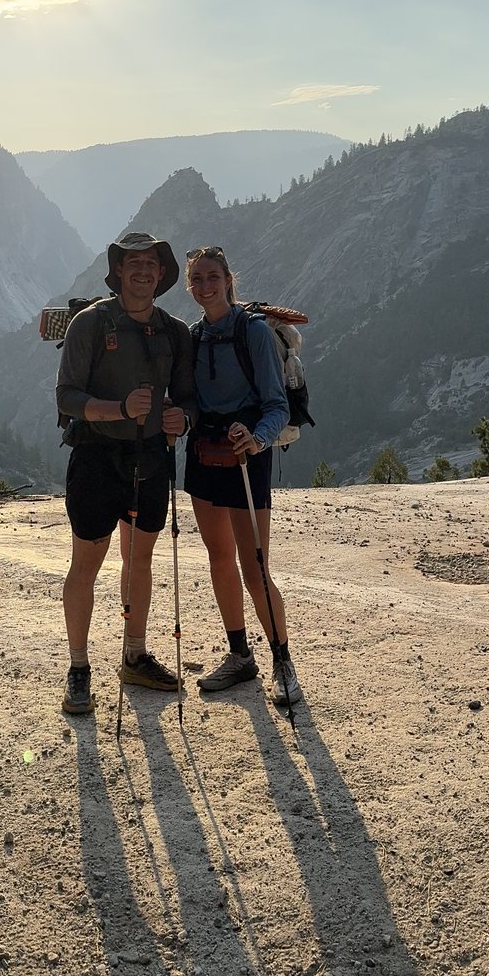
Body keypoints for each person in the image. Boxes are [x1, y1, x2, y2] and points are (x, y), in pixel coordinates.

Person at [53, 232, 195, 716]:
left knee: (140, 560)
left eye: (151, 263)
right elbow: (66, 397)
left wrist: (183, 418)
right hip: (96, 458)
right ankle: (79, 669)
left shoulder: (174, 332)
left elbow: (187, 396)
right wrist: (119, 409)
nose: (142, 270)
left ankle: (134, 654)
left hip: (151, 457)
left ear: (161, 274)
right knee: (87, 563)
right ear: (118, 272)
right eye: (133, 262)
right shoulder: (89, 324)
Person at [180, 246, 301, 707]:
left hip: (246, 453)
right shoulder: (194, 336)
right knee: (218, 559)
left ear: (229, 279)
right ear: (190, 286)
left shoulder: (251, 332)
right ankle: (239, 654)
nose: (205, 286)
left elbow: (277, 404)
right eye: (197, 279)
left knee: (254, 567)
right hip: (204, 451)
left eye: (212, 277)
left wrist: (258, 438)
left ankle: (282, 661)